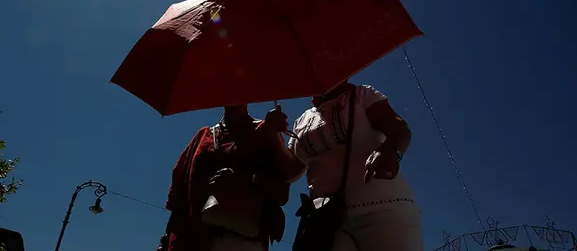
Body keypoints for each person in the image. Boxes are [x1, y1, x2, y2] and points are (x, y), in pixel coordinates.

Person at [285, 82, 423, 251]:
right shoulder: (301, 121)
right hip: (326, 220)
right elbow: (291, 170)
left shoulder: (361, 94)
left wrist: (389, 151)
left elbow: (399, 129)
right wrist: (272, 131)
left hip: (382, 208)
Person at [157, 104, 292, 251]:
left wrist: (244, 180)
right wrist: (165, 240)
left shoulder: (265, 132)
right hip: (190, 241)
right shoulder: (202, 137)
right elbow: (179, 198)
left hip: (240, 241)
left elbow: (281, 191)